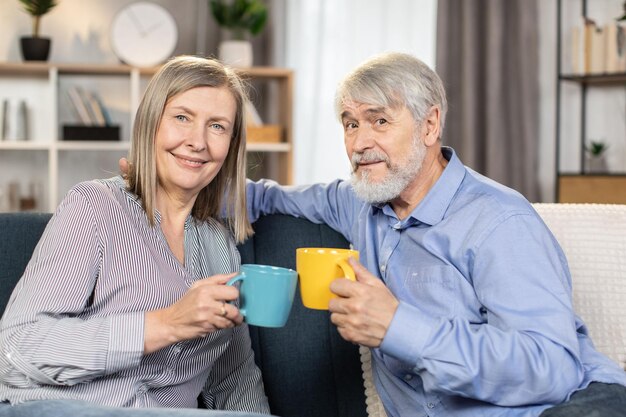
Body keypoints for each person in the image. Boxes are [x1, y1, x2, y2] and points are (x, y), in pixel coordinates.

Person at [243, 52, 626, 416]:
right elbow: (260, 196)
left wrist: (399, 327)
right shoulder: (360, 201)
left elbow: (551, 369)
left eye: (379, 121)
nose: (359, 143)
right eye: (350, 123)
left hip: (569, 404)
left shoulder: (498, 221)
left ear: (430, 126)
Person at [0, 56, 271, 417]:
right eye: (181, 118)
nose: (198, 142)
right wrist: (166, 324)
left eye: (217, 126)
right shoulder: (94, 207)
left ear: (231, 145)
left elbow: (234, 380)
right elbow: (16, 349)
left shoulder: (221, 248)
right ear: (150, 125)